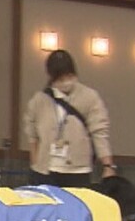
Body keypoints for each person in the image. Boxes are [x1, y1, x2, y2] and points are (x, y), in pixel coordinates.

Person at [23, 49, 116, 187]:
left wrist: (108, 166)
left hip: (78, 170)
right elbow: (32, 132)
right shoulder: (39, 100)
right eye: (60, 78)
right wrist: (35, 162)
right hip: (46, 170)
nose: (66, 82)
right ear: (52, 77)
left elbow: (99, 132)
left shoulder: (90, 97)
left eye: (69, 76)